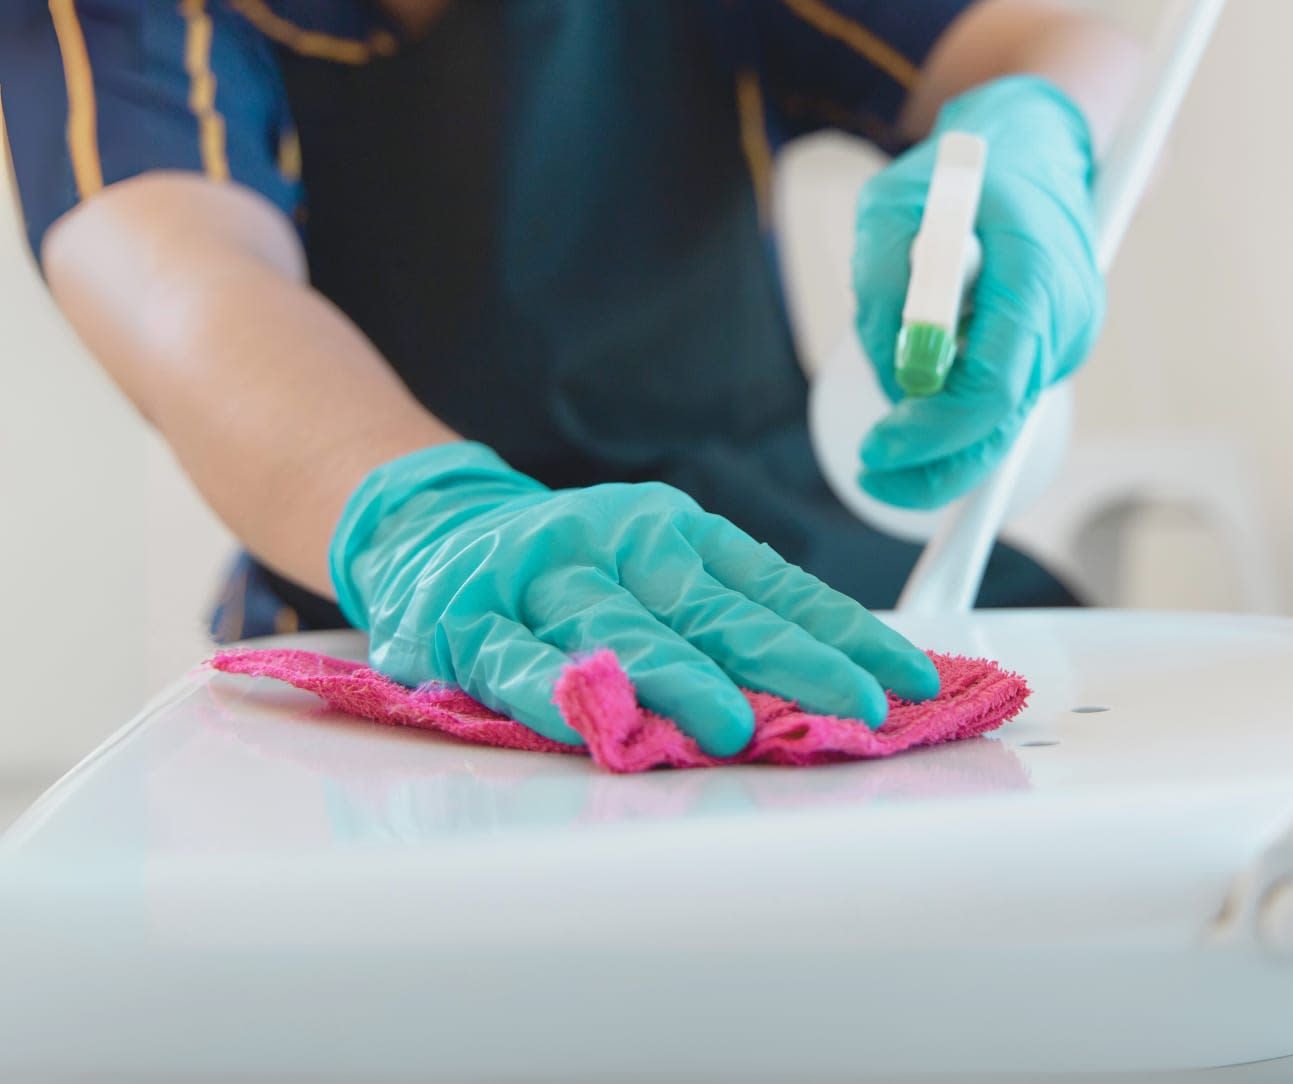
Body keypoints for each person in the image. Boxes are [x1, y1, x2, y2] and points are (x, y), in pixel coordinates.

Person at [2, 1, 1139, 755]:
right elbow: (182, 284)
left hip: (789, 560)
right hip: (415, 612)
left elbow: (1035, 33)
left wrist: (1028, 134)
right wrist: (424, 521)